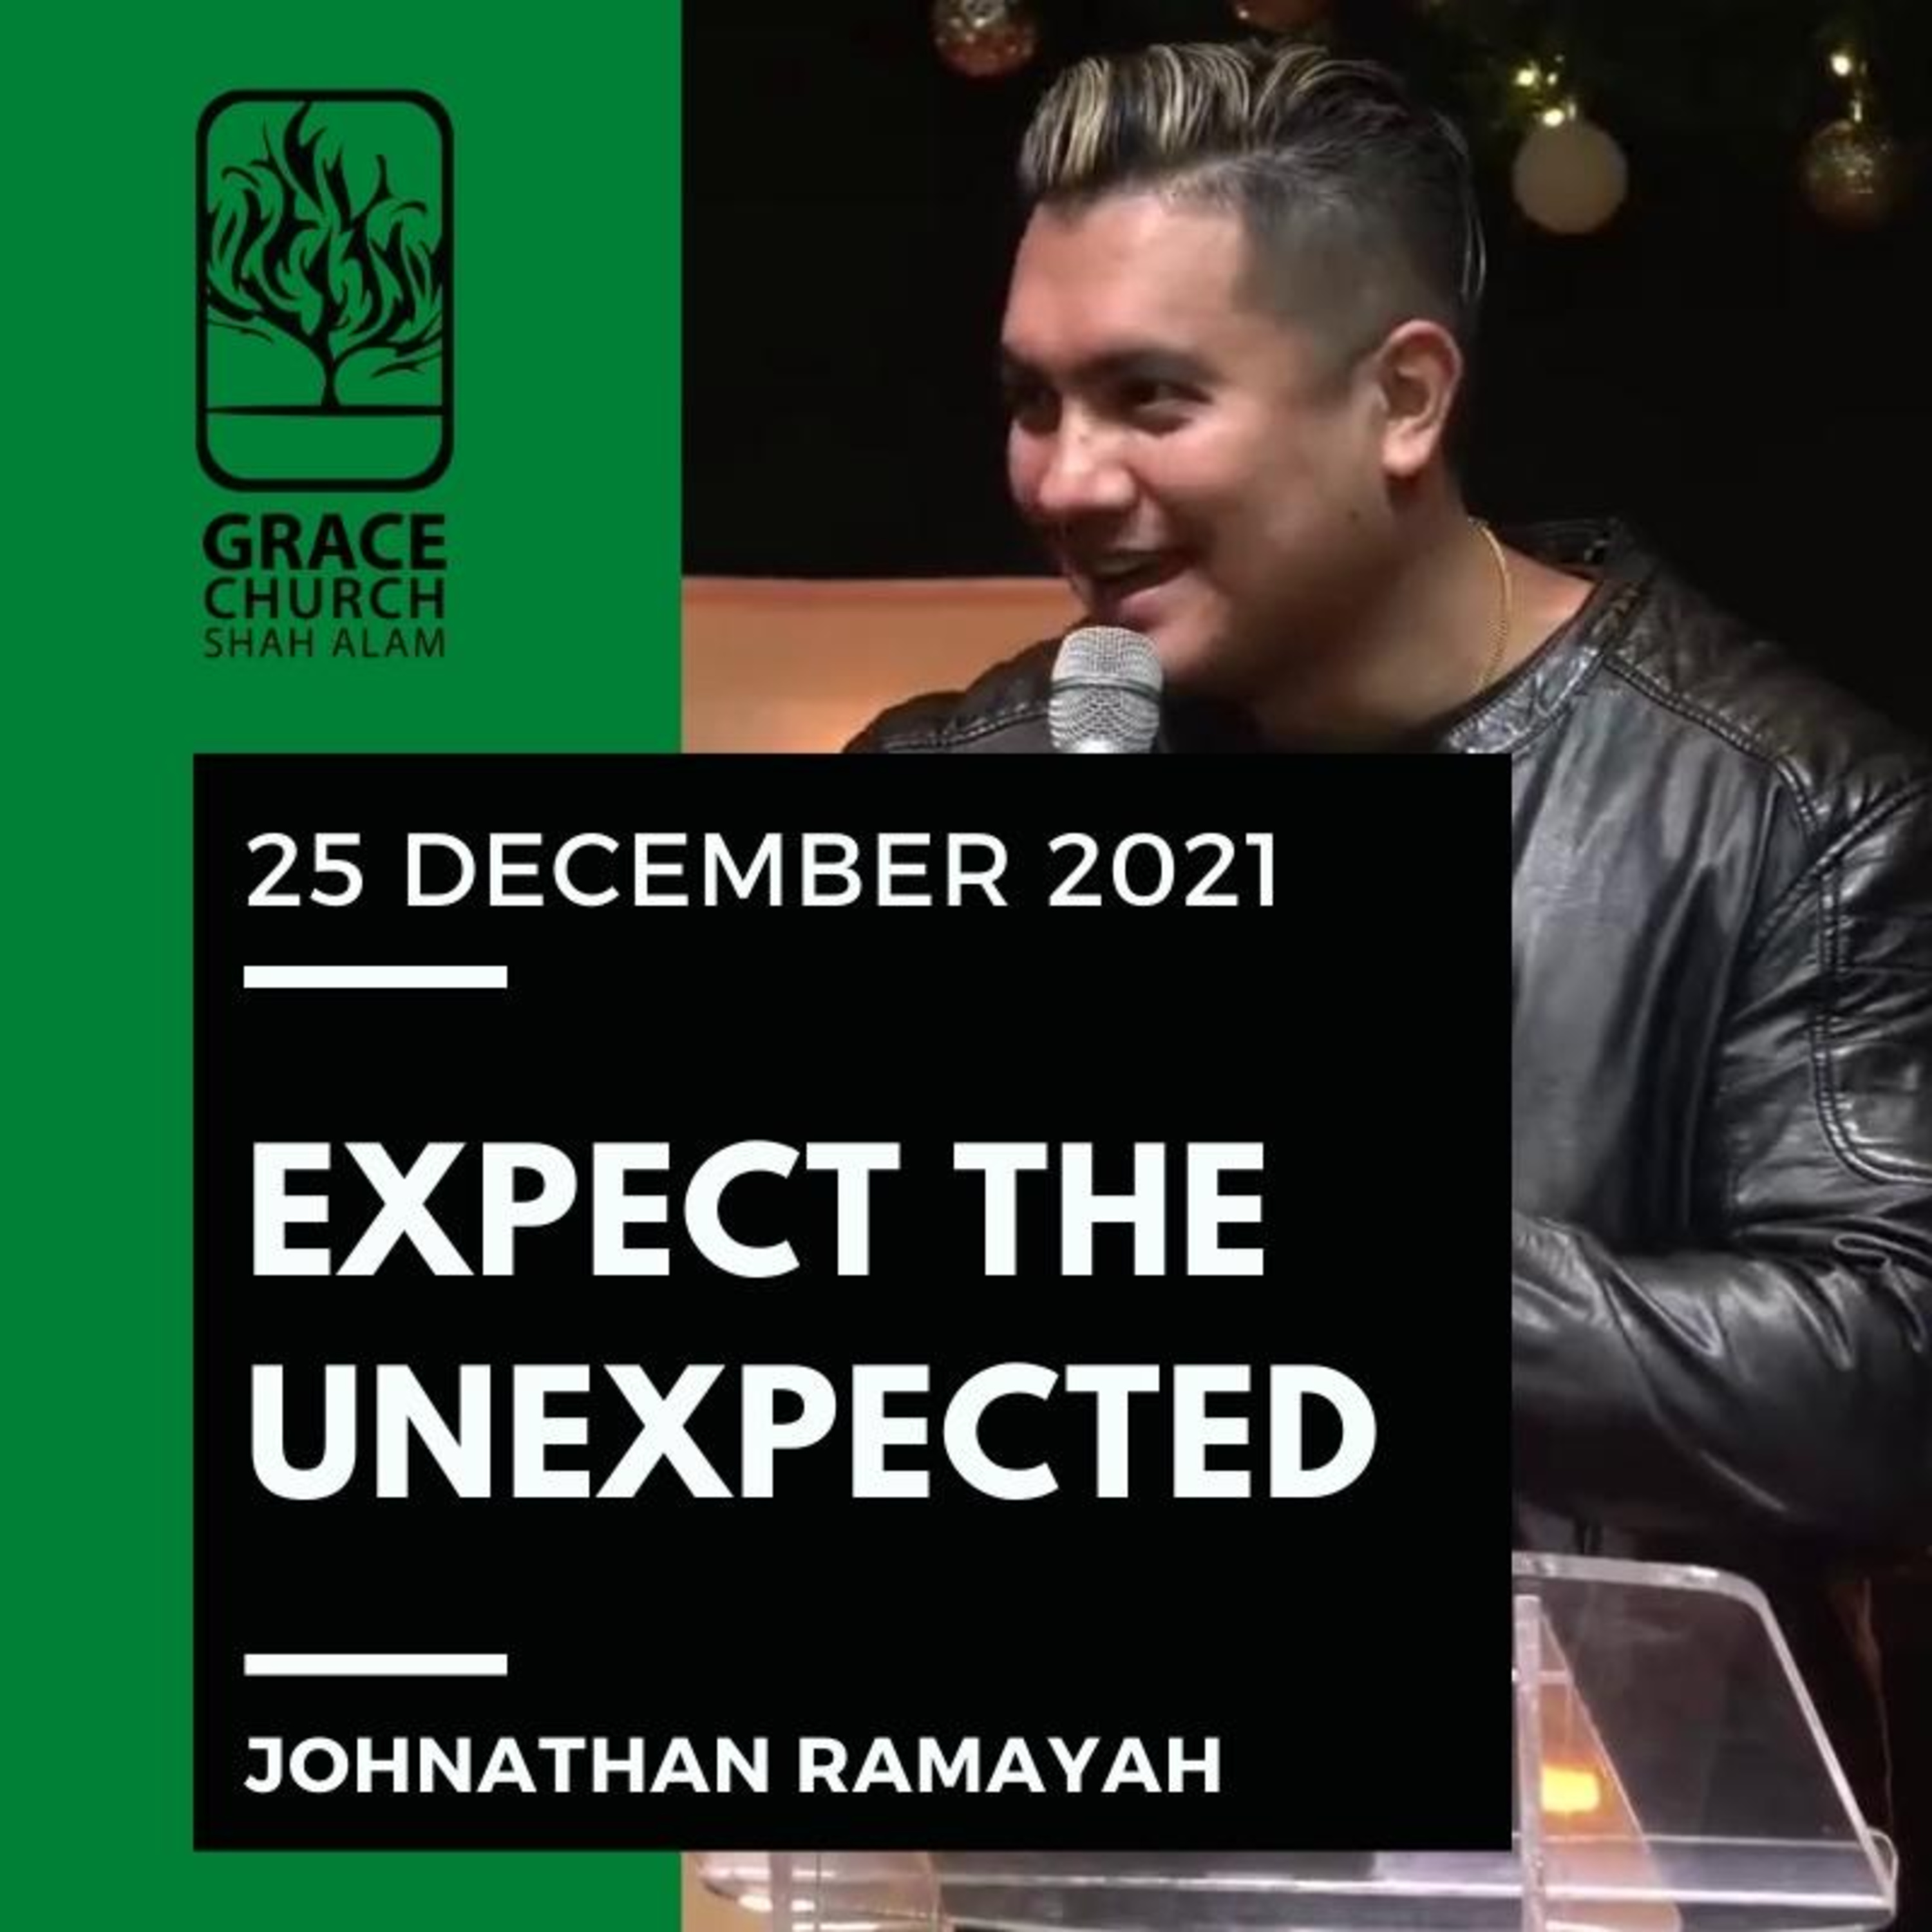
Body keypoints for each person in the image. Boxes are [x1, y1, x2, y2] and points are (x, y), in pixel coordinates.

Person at [844, 36, 1932, 1835]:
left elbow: (1882, 1378)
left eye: (1150, 399)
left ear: (1406, 398)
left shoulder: (1787, 814)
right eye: (1033, 402)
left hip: (1604, 1870)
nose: (1063, 480)